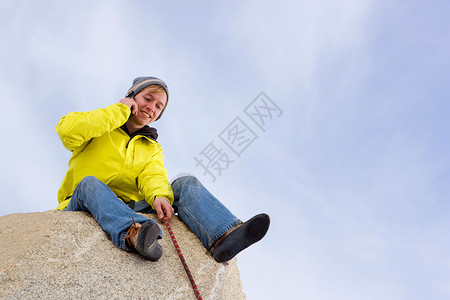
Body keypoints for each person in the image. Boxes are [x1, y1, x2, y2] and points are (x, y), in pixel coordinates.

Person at [55, 76, 270, 262]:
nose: (151, 107)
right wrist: (119, 111)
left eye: (158, 106)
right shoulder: (102, 125)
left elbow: (153, 175)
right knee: (90, 183)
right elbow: (68, 131)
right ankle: (134, 233)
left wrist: (159, 195)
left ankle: (224, 236)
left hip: (129, 206)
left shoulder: (151, 147)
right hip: (83, 200)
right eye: (148, 99)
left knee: (183, 183)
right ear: (132, 96)